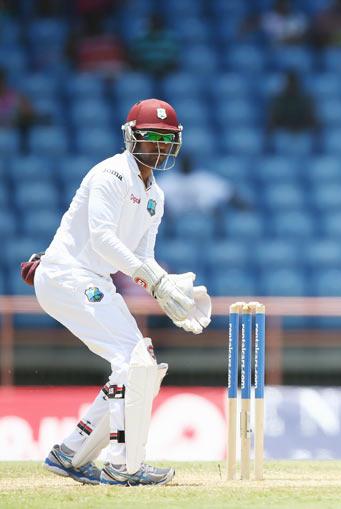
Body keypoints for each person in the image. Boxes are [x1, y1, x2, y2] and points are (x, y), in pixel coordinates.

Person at [23, 99, 212, 486]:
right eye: (151, 138)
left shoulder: (155, 196)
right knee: (133, 360)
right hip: (68, 274)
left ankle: (72, 453)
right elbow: (104, 240)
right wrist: (155, 282)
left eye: (166, 139)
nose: (159, 147)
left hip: (91, 279)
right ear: (132, 138)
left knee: (140, 365)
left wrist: (171, 290)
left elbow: (143, 256)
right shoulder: (110, 175)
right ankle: (122, 466)